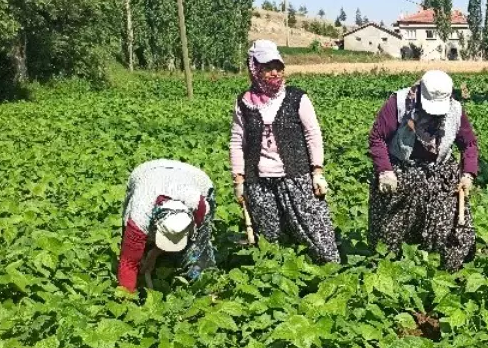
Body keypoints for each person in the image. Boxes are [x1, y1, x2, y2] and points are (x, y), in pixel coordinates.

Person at [229, 40, 340, 263]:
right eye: (268, 67)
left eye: (278, 67)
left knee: (316, 231)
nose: (274, 73)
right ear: (254, 69)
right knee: (271, 239)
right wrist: (239, 179)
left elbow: (313, 134)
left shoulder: (296, 98)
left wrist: (317, 171)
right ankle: (278, 279)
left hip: (296, 176)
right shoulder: (244, 103)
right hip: (259, 182)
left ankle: (331, 274)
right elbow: (237, 140)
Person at [368, 70, 479, 270]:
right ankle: (389, 280)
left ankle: (446, 277)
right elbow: (377, 138)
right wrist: (385, 171)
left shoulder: (455, 110)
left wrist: (468, 173)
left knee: (450, 233)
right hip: (401, 174)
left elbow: (469, 144)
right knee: (389, 237)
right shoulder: (399, 103)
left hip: (440, 176)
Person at [117, 159, 216, 292]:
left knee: (197, 250)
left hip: (194, 177)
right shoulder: (140, 214)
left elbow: (190, 233)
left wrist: (155, 253)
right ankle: (143, 270)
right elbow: (128, 262)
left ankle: (203, 289)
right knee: (133, 250)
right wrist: (126, 298)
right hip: (147, 173)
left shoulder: (200, 207)